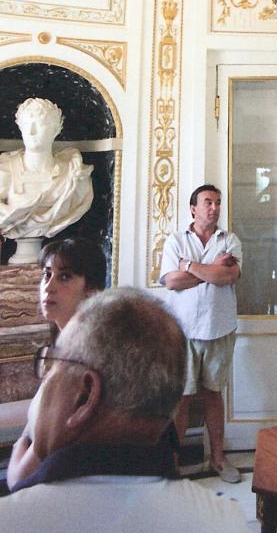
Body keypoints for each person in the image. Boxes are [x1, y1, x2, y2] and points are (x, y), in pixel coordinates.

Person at [0, 288, 249, 533]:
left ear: (85, 395)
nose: (44, 380)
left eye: (52, 364)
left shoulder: (10, 521)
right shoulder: (225, 521)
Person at [7, 237, 107, 489]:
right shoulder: (56, 350)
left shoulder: (83, 363)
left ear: (91, 291)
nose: (48, 287)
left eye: (64, 277)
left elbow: (19, 478)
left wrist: (21, 443)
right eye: (46, 274)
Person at [160, 183, 242, 482]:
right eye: (208, 202)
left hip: (219, 329)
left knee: (212, 395)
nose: (214, 207)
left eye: (218, 202)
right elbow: (171, 282)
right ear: (193, 208)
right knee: (181, 398)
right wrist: (209, 270)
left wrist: (190, 268)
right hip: (183, 332)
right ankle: (173, 462)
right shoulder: (175, 240)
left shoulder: (229, 240)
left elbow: (228, 276)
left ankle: (217, 459)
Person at [0, 98, 94, 254]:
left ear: (56, 130)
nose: (32, 132)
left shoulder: (74, 176)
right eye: (27, 126)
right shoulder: (5, 171)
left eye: (40, 124)